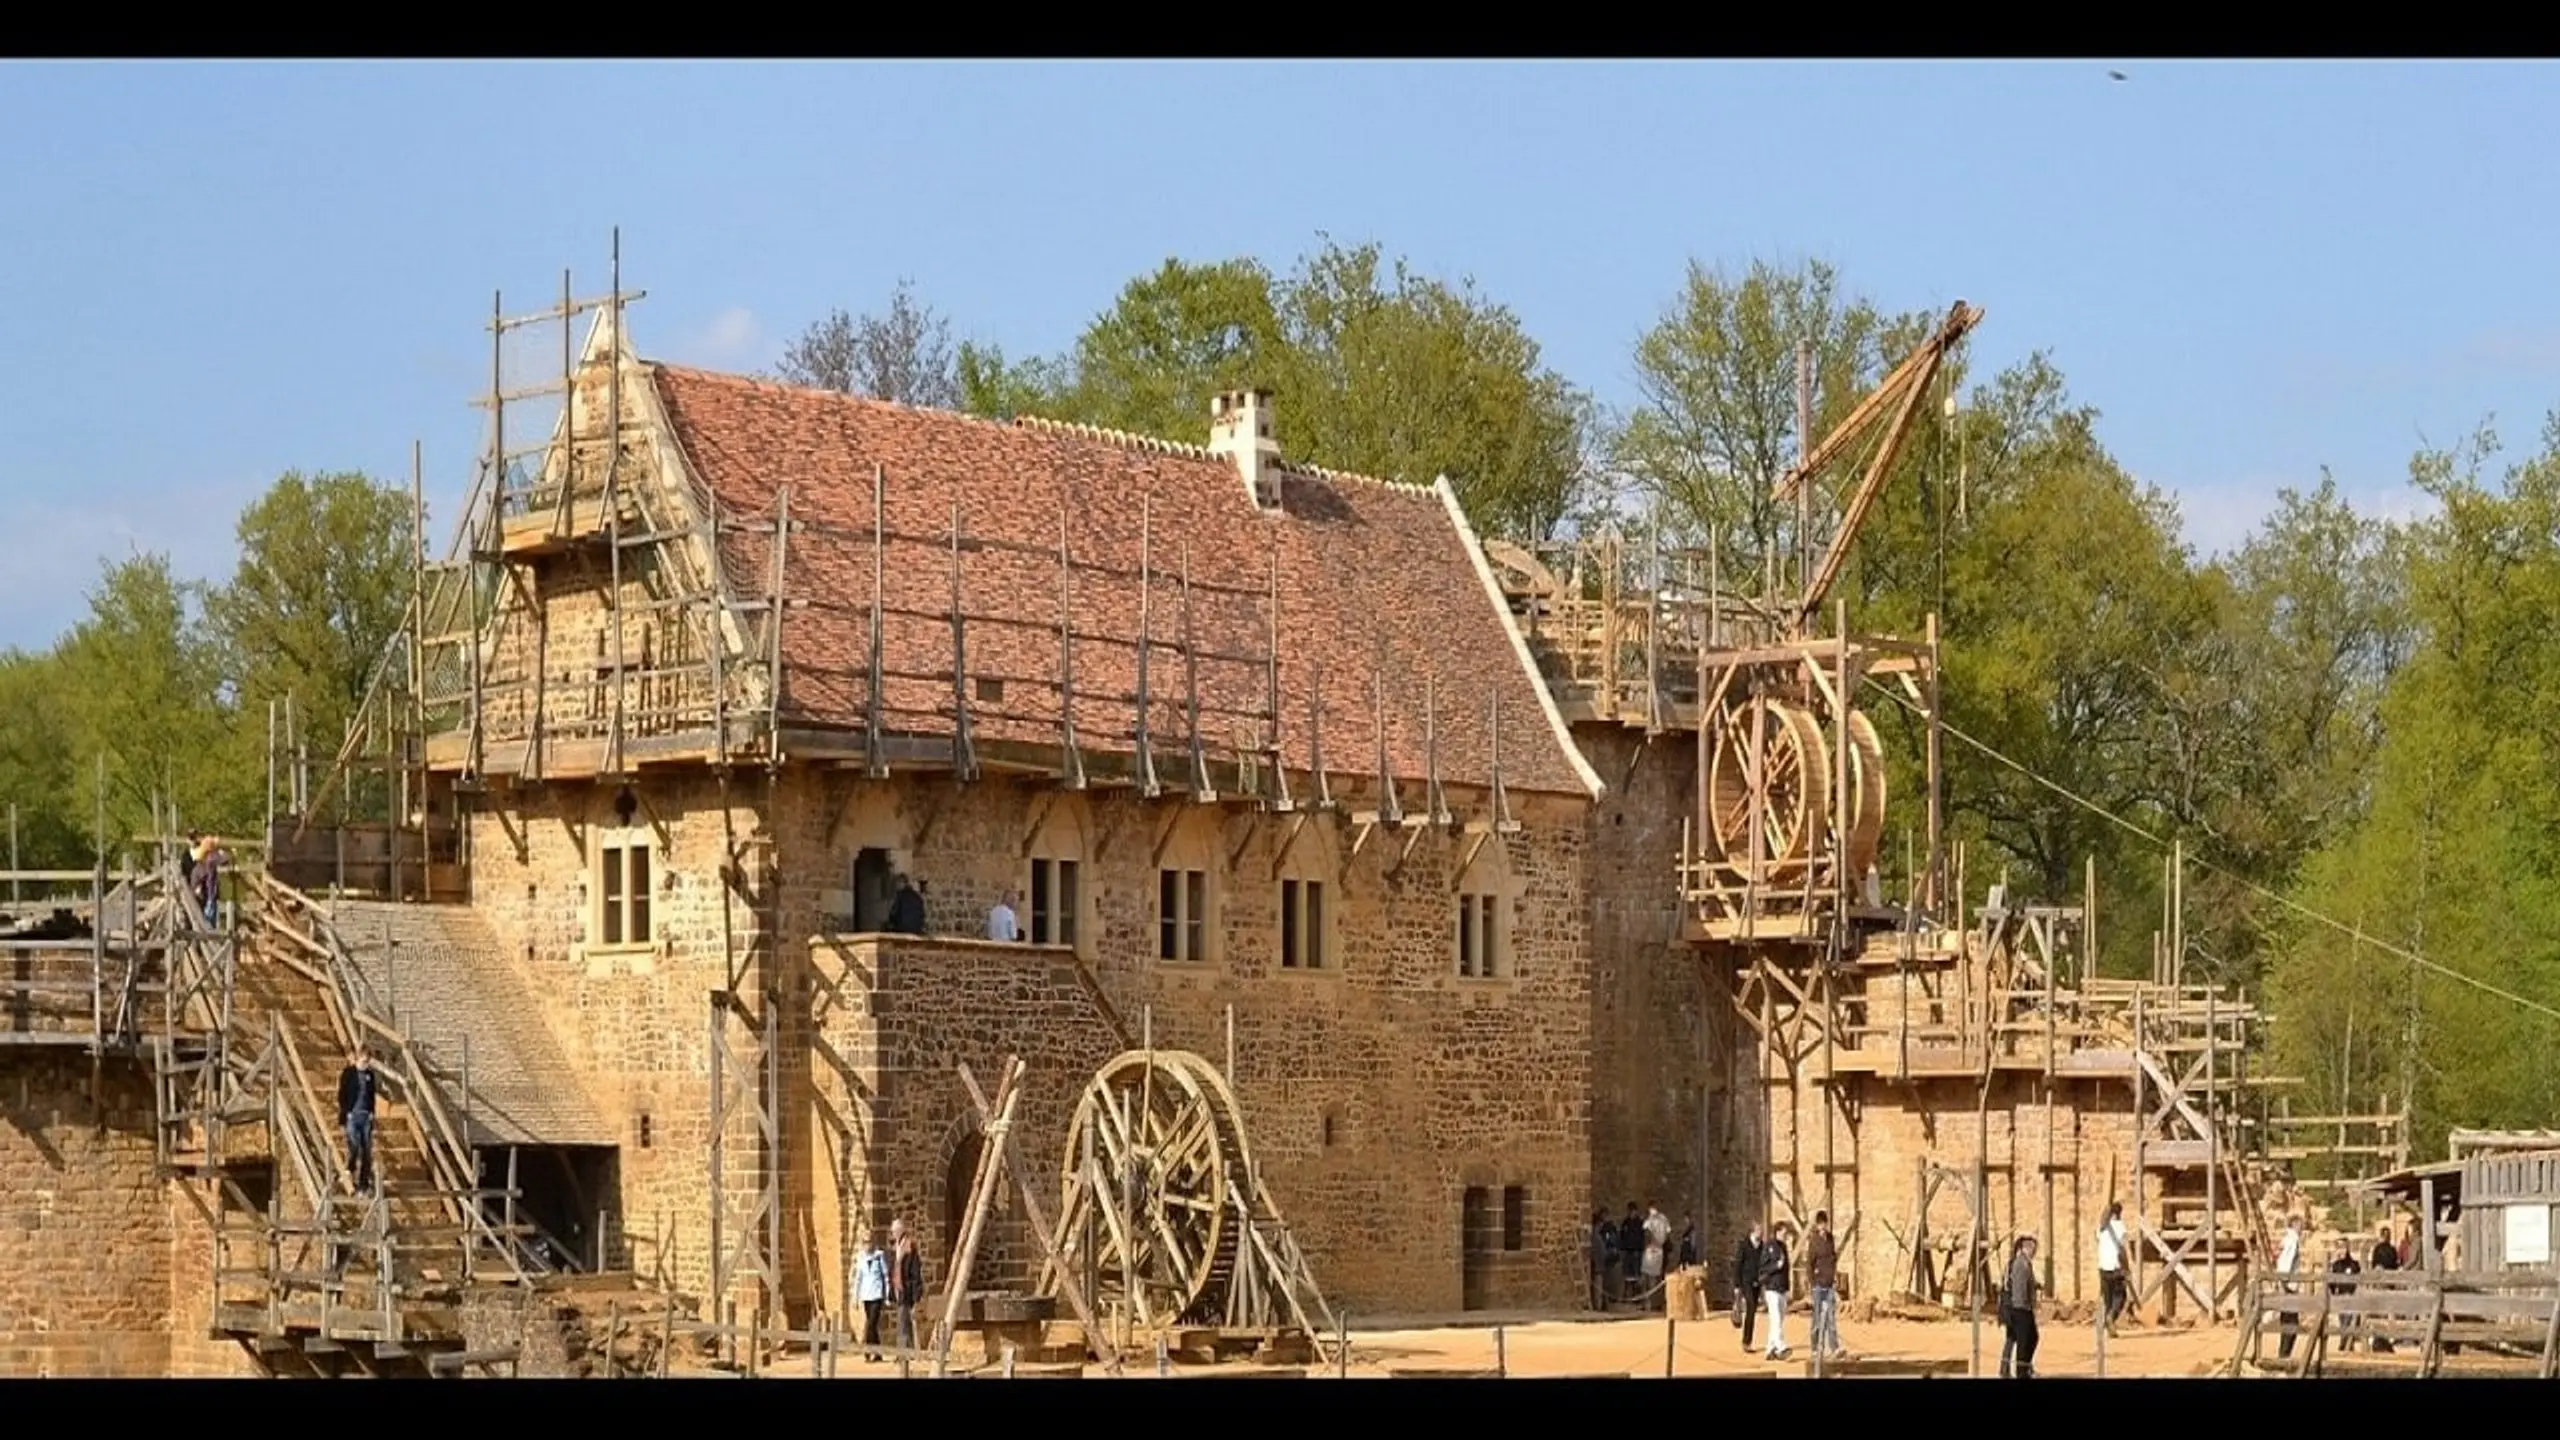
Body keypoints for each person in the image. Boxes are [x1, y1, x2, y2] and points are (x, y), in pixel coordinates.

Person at [337, 1044, 379, 1195]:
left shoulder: (370, 1075)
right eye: (363, 1060)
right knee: (354, 1144)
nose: (365, 1063)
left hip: (365, 1115)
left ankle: (363, 1183)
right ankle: (350, 1168)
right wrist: (346, 1112)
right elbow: (342, 1094)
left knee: (367, 1150)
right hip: (352, 1115)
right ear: (358, 1057)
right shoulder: (348, 1073)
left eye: (367, 1061)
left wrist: (372, 1112)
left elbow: (372, 1095)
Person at [2000, 1234, 2040, 1378]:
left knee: (2029, 1338)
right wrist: (2024, 1308)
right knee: (2023, 1341)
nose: (2035, 1252)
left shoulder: (2024, 1263)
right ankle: (2021, 1371)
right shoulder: (2020, 1264)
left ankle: (2022, 1368)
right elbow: (2018, 1289)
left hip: (2019, 1308)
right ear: (2027, 1248)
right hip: (2019, 1309)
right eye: (2033, 1249)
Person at [1807, 1210, 1843, 1360]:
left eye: (1824, 1223)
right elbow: (1809, 1263)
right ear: (1817, 1225)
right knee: (1816, 1319)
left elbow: (1833, 1259)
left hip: (1829, 1284)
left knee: (1831, 1319)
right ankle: (1815, 1348)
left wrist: (1834, 1278)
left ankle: (1834, 1348)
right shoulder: (1814, 1241)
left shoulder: (1830, 1239)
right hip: (1818, 1285)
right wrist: (1812, 1283)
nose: (1823, 1226)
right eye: (1820, 1224)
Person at [888, 1218, 925, 1358]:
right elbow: (893, 1268)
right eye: (893, 1231)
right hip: (898, 1289)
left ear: (901, 1230)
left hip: (906, 1290)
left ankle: (903, 1353)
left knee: (903, 1321)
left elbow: (916, 1272)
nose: (894, 1233)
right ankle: (908, 1351)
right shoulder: (895, 1247)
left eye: (896, 1230)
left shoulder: (909, 1247)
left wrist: (917, 1294)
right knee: (904, 1321)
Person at [852, 1230, 890, 1361]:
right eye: (865, 1242)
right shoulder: (861, 1257)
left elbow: (885, 1276)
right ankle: (878, 1353)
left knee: (871, 1324)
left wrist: (887, 1295)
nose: (867, 1245)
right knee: (872, 1326)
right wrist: (855, 1298)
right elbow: (858, 1279)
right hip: (866, 1295)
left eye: (869, 1242)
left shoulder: (879, 1256)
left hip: (877, 1294)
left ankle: (867, 1351)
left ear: (873, 1242)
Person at [1758, 1221, 1794, 1360]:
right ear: (1777, 1232)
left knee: (1779, 1320)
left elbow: (1786, 1269)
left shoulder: (1784, 1247)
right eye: (1784, 1233)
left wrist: (1788, 1288)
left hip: (1782, 1288)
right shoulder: (1769, 1246)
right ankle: (1781, 1347)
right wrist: (1775, 1266)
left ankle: (1770, 1348)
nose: (1786, 1236)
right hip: (1772, 1288)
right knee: (1776, 1319)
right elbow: (1763, 1268)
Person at [2096, 1200, 2130, 1330]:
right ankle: (2111, 1318)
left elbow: (2098, 1238)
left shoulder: (2102, 1228)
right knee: (2121, 1296)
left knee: (2107, 1298)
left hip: (2103, 1267)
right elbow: (2122, 1249)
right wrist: (2126, 1268)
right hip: (2115, 1267)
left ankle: (2108, 1321)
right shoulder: (2120, 1227)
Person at [2274, 1214, 2304, 1360]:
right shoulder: (2292, 1240)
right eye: (2300, 1225)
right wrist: (2284, 1281)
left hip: (2288, 1284)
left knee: (2287, 1321)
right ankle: (2284, 1354)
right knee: (2291, 1322)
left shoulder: (2288, 1239)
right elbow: (2286, 1261)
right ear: (2294, 1225)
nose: (2302, 1228)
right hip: (2289, 1286)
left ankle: (2284, 1353)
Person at [2367, 1222, 2399, 1353]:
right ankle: (2387, 1335)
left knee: (2379, 1308)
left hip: (2381, 1281)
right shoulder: (2390, 1249)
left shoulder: (2378, 1249)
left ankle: (2379, 1335)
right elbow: (2395, 1264)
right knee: (2387, 1309)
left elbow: (2374, 1264)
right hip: (2388, 1281)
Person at [2327, 1235, 2362, 1354]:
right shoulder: (2336, 1265)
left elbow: (2358, 1278)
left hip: (2351, 1295)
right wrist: (2333, 1292)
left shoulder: (2354, 1264)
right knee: (2343, 1320)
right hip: (2341, 1295)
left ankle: (2345, 1343)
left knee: (2348, 1319)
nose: (2341, 1250)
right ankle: (2345, 1342)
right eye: (2339, 1247)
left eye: (2343, 1247)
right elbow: (2331, 1281)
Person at [1733, 1222, 1764, 1351]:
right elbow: (1738, 1265)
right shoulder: (1744, 1245)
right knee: (1750, 1307)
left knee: (1753, 1311)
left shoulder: (1762, 1245)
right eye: (1758, 1230)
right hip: (1745, 1282)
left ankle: (1748, 1340)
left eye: (1761, 1231)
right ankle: (1746, 1342)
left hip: (1757, 1282)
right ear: (1752, 1232)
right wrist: (1736, 1285)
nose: (1761, 1233)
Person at [1641, 1203, 1671, 1311]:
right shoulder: (1664, 1219)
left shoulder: (1650, 1220)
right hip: (1660, 1250)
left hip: (1651, 1249)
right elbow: (1667, 1234)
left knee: (1648, 1277)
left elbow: (1647, 1234)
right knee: (1656, 1277)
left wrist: (1648, 1244)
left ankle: (1648, 1303)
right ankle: (1656, 1302)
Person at [1617, 1204, 1645, 1307]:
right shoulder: (1626, 1222)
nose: (1631, 1213)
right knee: (1626, 1275)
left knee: (1636, 1275)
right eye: (1629, 1211)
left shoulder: (1639, 1223)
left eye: (1632, 1211)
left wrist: (1640, 1250)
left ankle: (1636, 1297)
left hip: (1636, 1252)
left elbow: (1641, 1238)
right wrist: (1622, 1249)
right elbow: (1622, 1236)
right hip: (1627, 1252)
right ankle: (1626, 1296)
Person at [1590, 1209, 1616, 1309]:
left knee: (1600, 1287)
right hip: (1599, 1266)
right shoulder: (1596, 1238)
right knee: (1599, 1287)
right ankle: (1598, 1306)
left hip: (1600, 1265)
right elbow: (1600, 1252)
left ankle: (1600, 1305)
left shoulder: (1597, 1237)